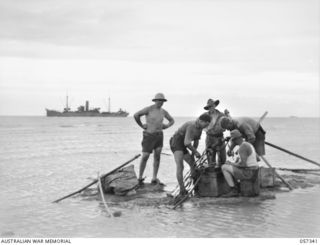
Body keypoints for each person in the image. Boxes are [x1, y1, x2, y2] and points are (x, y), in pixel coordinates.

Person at [134, 93, 174, 186]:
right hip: (149, 135)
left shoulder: (163, 111)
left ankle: (154, 178)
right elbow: (136, 115)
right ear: (155, 100)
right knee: (145, 156)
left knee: (157, 157)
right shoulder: (149, 109)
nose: (160, 102)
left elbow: (172, 120)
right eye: (159, 100)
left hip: (159, 136)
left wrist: (167, 126)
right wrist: (141, 125)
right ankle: (140, 177)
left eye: (162, 101)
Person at [169, 113, 211, 195]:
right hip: (176, 142)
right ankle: (182, 189)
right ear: (200, 120)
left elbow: (196, 141)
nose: (205, 127)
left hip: (184, 144)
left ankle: (195, 185)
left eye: (207, 125)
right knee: (180, 166)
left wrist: (193, 154)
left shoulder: (200, 128)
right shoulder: (191, 125)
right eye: (205, 124)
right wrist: (195, 152)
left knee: (193, 164)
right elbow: (187, 143)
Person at [221, 129, 259, 197]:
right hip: (255, 171)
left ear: (236, 140)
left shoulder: (242, 147)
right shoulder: (248, 144)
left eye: (233, 141)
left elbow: (243, 164)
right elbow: (258, 159)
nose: (233, 143)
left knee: (224, 167)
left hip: (249, 173)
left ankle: (233, 190)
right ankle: (238, 185)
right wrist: (236, 162)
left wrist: (231, 163)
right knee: (233, 166)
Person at [203, 99, 228, 166]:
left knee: (222, 159)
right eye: (209, 106)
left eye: (212, 106)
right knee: (210, 159)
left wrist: (227, 115)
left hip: (220, 137)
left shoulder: (222, 115)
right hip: (209, 138)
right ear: (208, 107)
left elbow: (227, 125)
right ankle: (212, 174)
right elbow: (201, 126)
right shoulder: (204, 116)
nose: (211, 108)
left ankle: (222, 174)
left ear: (214, 105)